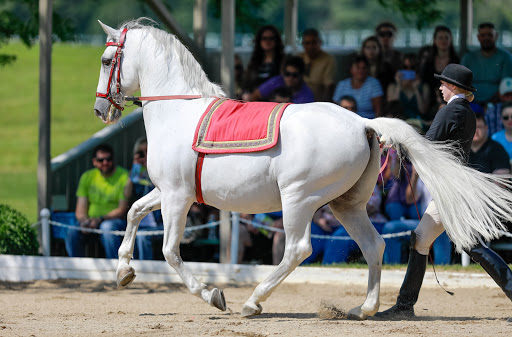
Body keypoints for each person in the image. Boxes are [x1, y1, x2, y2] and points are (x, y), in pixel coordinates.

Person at [375, 64, 512, 319]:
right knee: (421, 239)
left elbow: (427, 147)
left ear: (454, 87)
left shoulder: (449, 112)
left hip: (451, 193)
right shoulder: (468, 113)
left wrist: (396, 142)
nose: (439, 87)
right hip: (451, 190)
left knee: (472, 246)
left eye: (443, 83)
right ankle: (405, 305)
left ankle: (405, 306)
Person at [66, 144, 129, 259]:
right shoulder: (87, 176)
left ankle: (116, 267)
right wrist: (84, 222)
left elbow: (122, 209)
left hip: (114, 221)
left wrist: (99, 220)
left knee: (107, 227)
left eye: (108, 159)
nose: (105, 162)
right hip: (91, 222)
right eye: (101, 160)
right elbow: (80, 209)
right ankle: (77, 268)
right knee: (72, 231)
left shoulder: (124, 176)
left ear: (113, 159)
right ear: (94, 162)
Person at [124, 137, 162, 260]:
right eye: (141, 153)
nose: (145, 155)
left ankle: (145, 268)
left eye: (148, 151)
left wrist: (150, 164)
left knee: (141, 236)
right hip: (143, 221)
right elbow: (126, 194)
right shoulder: (136, 174)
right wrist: (135, 167)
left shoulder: (161, 170)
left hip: (160, 222)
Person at [461, 22, 512, 105]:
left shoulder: (506, 57)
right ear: (478, 37)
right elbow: (461, 83)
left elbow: (506, 85)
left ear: (496, 36)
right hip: (470, 102)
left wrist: (489, 104)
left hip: (497, 103)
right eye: (483, 35)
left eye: (490, 35)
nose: (486, 38)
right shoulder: (468, 58)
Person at [419, 25, 460, 126]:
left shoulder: (456, 61)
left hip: (451, 99)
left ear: (451, 40)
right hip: (431, 101)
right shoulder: (428, 62)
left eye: (446, 37)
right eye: (440, 38)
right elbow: (424, 83)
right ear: (435, 40)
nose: (443, 40)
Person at [241, 25, 285, 100]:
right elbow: (247, 83)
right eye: (264, 38)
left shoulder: (283, 61)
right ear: (259, 41)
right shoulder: (254, 62)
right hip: (254, 102)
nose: (267, 41)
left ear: (277, 40)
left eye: (271, 38)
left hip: (274, 103)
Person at [249, 55, 315, 104]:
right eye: (287, 74)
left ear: (301, 76)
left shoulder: (306, 96)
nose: (290, 78)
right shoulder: (278, 80)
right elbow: (255, 95)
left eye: (295, 75)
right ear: (283, 73)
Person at [386, 53, 430, 123]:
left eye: (412, 67)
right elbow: (393, 108)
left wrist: (416, 90)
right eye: (405, 67)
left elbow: (423, 111)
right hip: (399, 123)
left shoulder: (424, 87)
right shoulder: (393, 87)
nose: (409, 70)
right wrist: (399, 85)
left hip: (418, 123)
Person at [298, 28, 336, 102]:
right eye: (307, 43)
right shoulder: (299, 58)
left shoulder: (328, 59)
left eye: (314, 42)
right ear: (302, 44)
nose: (310, 46)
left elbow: (328, 86)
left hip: (317, 100)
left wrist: (323, 105)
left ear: (320, 43)